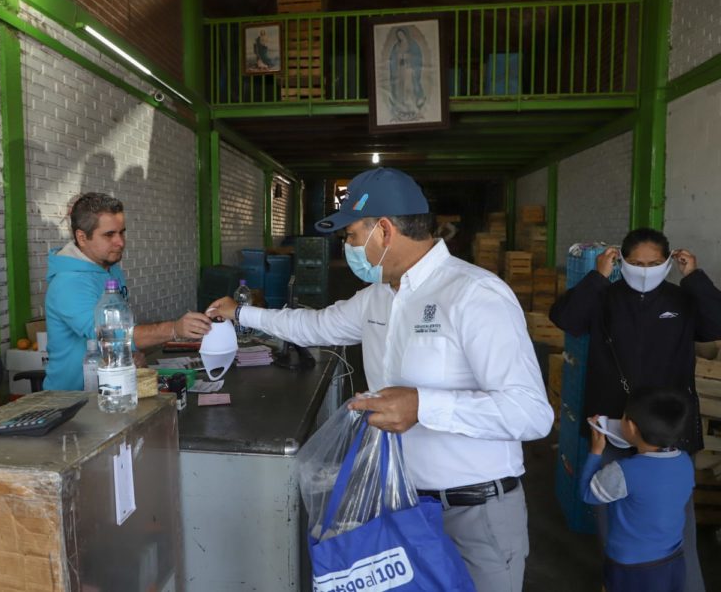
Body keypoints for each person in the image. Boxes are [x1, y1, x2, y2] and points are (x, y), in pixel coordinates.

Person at [208, 167, 554, 592]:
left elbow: (532, 414)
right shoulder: (379, 296)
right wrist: (241, 314)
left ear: (384, 230)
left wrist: (422, 405)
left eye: (352, 236)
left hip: (472, 515)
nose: (350, 248)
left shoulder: (474, 295)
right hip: (401, 507)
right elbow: (317, 326)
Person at [550, 227, 721, 592]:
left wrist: (695, 277)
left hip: (668, 429)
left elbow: (716, 322)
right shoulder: (605, 297)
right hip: (615, 425)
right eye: (637, 263)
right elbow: (566, 319)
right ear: (620, 261)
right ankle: (620, 580)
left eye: (655, 263)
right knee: (609, 514)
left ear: (670, 261)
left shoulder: (682, 300)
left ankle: (685, 585)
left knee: (675, 519)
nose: (645, 270)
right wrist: (597, 275)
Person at [44, 192, 212, 391]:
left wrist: (131, 353)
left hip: (113, 390)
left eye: (122, 232)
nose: (120, 242)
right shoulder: (68, 283)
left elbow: (121, 326)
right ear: (82, 237)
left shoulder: (110, 268)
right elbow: (109, 335)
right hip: (74, 400)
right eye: (109, 235)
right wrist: (174, 329)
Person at [581, 388, 695, 592]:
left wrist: (596, 451)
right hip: (673, 561)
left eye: (624, 418)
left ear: (632, 428)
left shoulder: (625, 471)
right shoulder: (685, 461)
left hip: (631, 569)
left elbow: (588, 493)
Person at [389, 27, 425, 120]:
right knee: (401, 86)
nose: (400, 36)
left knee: (409, 86)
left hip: (409, 69)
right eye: (398, 35)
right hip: (400, 69)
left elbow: (417, 57)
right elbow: (393, 59)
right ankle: (402, 104)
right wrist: (399, 58)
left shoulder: (412, 45)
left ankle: (411, 103)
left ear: (405, 34)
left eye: (401, 34)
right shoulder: (397, 46)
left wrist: (407, 57)